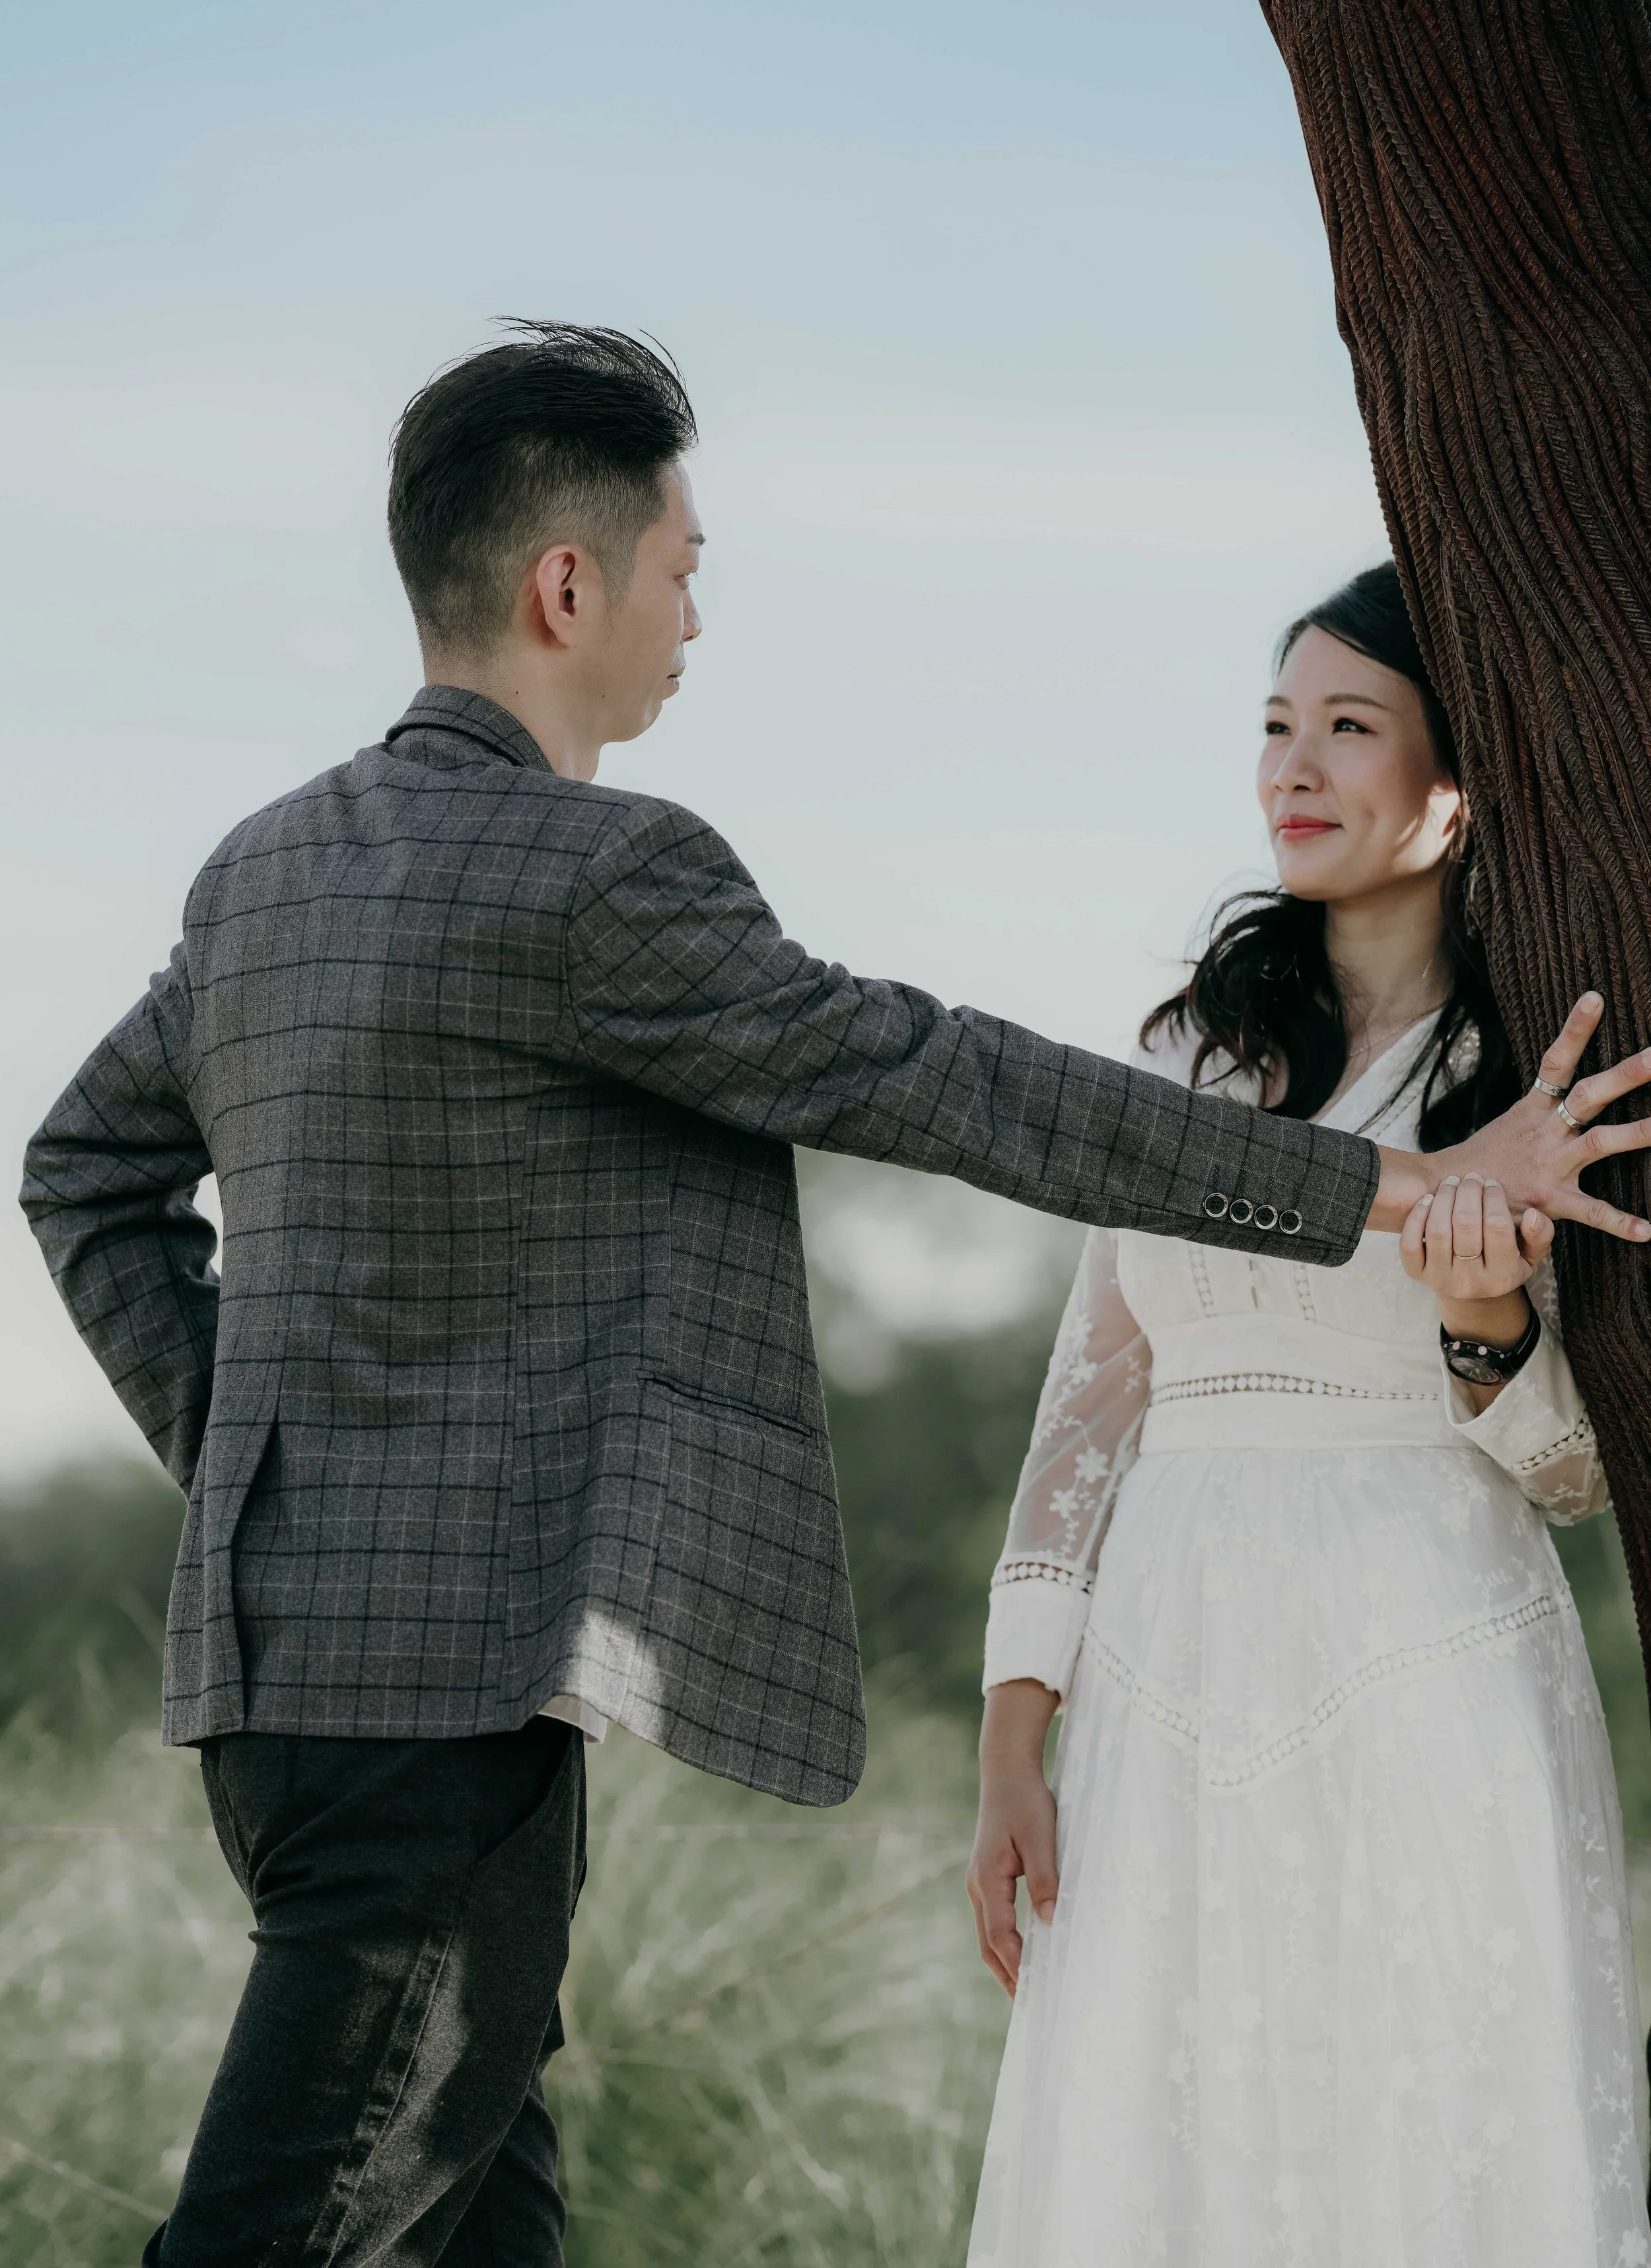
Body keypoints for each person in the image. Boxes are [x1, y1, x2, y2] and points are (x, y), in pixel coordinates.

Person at [19, 334, 1651, 2268]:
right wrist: (1403, 1183)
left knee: (468, 2197)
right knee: (291, 2223)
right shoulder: (601, 872)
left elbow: (80, 1175)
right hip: (446, 1685)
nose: (695, 614)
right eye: (683, 565)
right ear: (568, 584)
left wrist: (252, 1480)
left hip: (285, 1689)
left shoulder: (260, 870)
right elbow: (936, 1076)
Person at [966, 564, 1650, 2266]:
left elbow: (1570, 1468)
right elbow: (1086, 1419)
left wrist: (1485, 1315)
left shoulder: (1530, 1069)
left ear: (1457, 787)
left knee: (1419, 2129)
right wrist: (1010, 1738)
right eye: (1278, 727)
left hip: (1433, 1649)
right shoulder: (1190, 1059)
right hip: (1169, 1658)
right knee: (1158, 2137)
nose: (1296, 769)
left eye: (1351, 730)